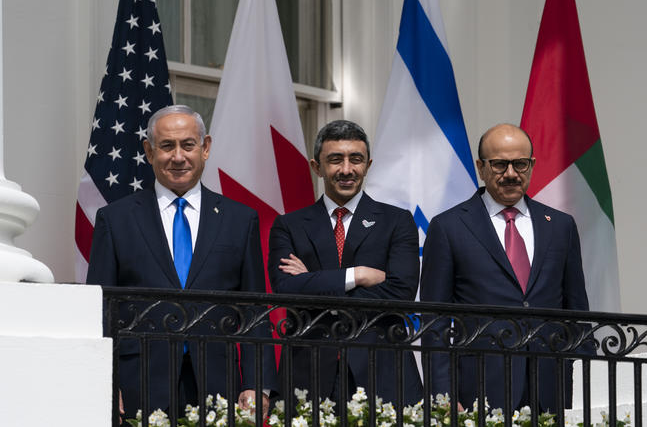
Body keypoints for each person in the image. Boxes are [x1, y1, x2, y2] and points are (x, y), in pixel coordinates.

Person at [87, 105, 276, 417]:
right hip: (139, 383)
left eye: (188, 145)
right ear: (148, 152)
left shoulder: (240, 220)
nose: (178, 157)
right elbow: (101, 308)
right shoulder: (115, 219)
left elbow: (254, 308)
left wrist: (257, 382)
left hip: (219, 384)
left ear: (205, 148)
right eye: (166, 146)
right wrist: (105, 379)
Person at [420, 123, 590, 413]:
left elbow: (577, 313)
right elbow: (434, 320)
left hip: (551, 388)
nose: (511, 174)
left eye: (520, 164)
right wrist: (443, 396)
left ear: (532, 165)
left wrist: (587, 386)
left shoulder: (561, 226)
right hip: (480, 389)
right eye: (499, 164)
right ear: (480, 167)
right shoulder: (449, 227)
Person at [268, 120, 423, 405]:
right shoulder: (289, 225)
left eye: (356, 159)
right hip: (308, 373)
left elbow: (401, 292)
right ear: (317, 167)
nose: (347, 170)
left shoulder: (397, 221)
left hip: (382, 372)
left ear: (368, 164)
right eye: (335, 160)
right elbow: (285, 289)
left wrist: (313, 283)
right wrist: (357, 275)